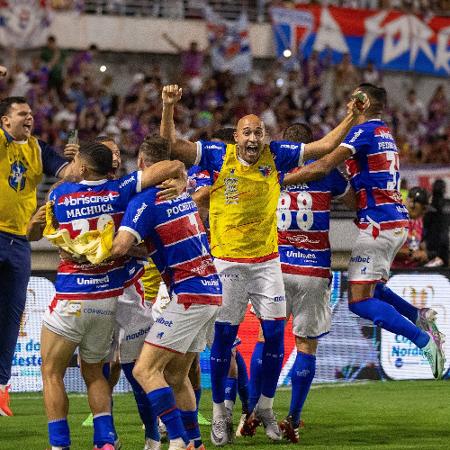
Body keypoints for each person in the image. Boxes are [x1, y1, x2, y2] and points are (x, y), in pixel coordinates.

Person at [160, 83, 368, 445]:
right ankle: (221, 412)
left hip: (267, 262)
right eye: (246, 132)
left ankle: (266, 409)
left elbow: (322, 148)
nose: (253, 137)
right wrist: (168, 106)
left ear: (265, 136)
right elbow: (173, 146)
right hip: (226, 262)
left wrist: (351, 115)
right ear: (236, 138)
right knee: (224, 340)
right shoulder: (215, 154)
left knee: (274, 336)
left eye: (259, 131)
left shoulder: (279, 154)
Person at [285, 83, 446, 379]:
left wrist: (284, 181)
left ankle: (424, 341)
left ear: (364, 101)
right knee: (375, 288)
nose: (348, 103)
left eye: (352, 98)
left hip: (378, 224)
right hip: (391, 220)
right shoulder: (383, 132)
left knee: (358, 301)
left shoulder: (365, 131)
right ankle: (418, 316)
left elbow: (323, 165)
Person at [40, 141, 185, 450]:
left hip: (121, 291)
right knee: (103, 369)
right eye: (112, 154)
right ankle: (108, 437)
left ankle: (151, 436)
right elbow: (170, 167)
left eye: (121, 152)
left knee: (135, 372)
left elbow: (147, 246)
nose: (118, 157)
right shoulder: (126, 189)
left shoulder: (62, 194)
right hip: (108, 295)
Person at [244, 122, 356, 442]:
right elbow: (353, 203)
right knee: (306, 345)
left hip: (275, 268)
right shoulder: (326, 173)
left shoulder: (272, 170)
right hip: (313, 270)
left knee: (266, 341)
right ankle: (292, 418)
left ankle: (251, 412)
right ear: (313, 146)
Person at [111, 135, 222, 450]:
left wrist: (82, 251)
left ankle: (176, 440)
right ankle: (195, 442)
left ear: (142, 165)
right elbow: (149, 248)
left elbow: (119, 247)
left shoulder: (145, 201)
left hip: (189, 295)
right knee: (175, 375)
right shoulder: (182, 192)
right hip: (211, 292)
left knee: (146, 369)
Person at [0, 94, 74, 417]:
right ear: (4, 121)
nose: (29, 118)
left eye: (30, 114)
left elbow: (67, 172)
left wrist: (76, 161)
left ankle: (1, 389)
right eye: (21, 114)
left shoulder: (38, 148)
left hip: (20, 244)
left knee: (11, 318)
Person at [392, 187, 429, 269]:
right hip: (394, 271)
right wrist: (411, 253)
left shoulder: (420, 222)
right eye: (422, 209)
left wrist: (424, 253)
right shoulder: (396, 220)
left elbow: (420, 245)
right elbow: (390, 249)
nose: (424, 212)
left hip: (414, 271)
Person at [423, 179, 449, 267]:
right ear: (444, 189)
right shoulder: (448, 204)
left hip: (432, 243)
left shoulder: (428, 206)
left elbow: (424, 225)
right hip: (443, 243)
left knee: (432, 270)